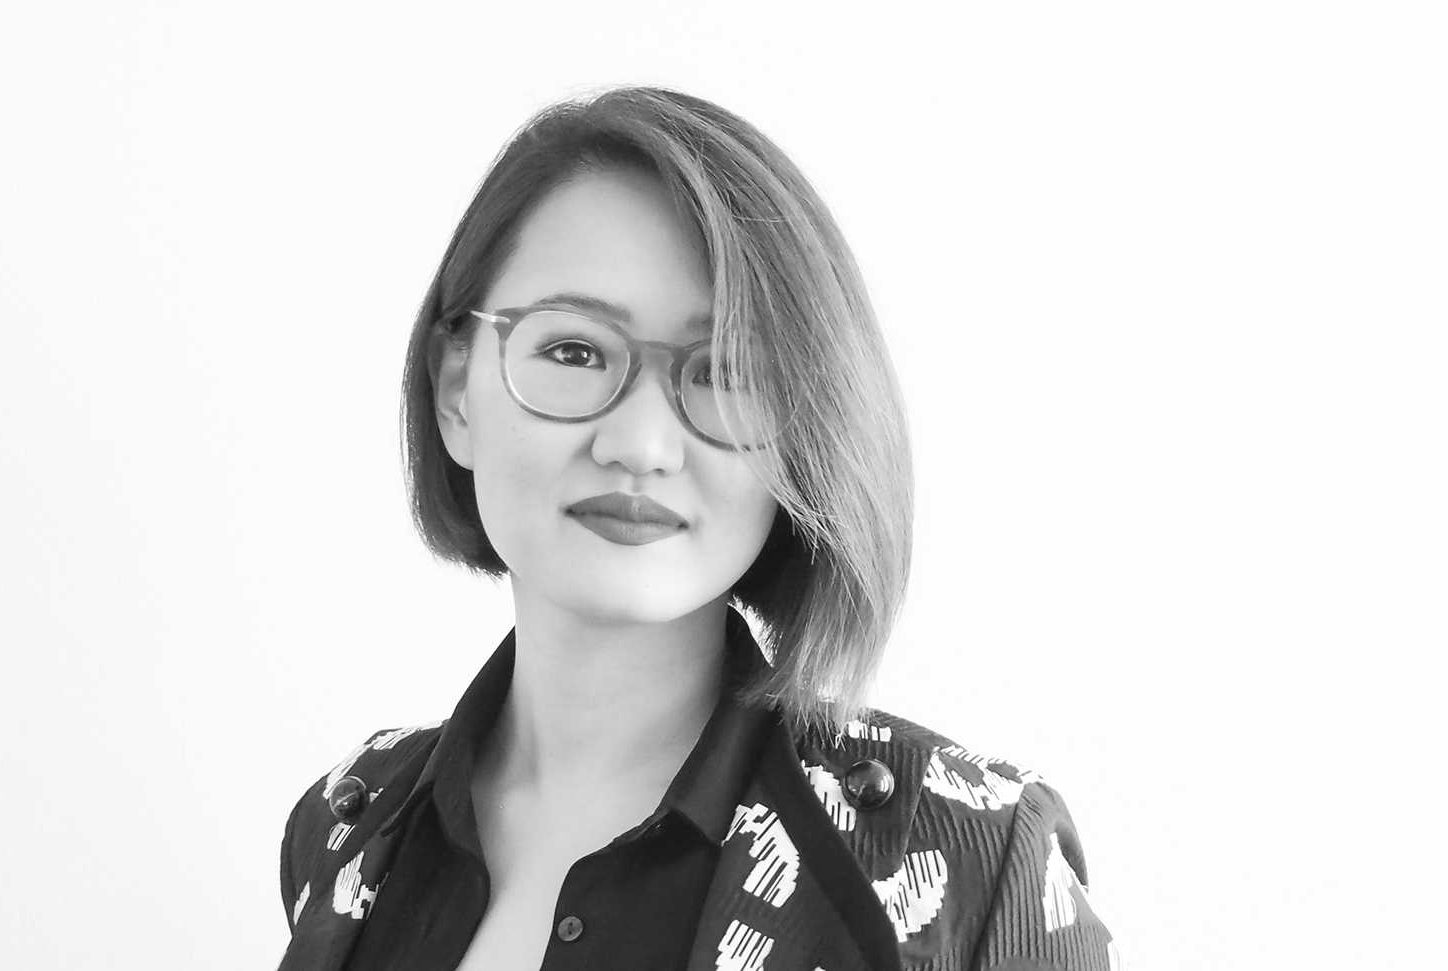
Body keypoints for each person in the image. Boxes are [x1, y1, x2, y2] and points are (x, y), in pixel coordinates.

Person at [276, 86, 1121, 971]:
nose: (639, 445)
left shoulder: (972, 859)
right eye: (573, 351)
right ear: (456, 392)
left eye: (725, 371)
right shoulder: (347, 825)